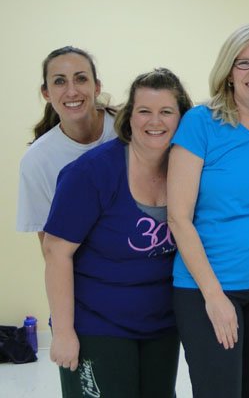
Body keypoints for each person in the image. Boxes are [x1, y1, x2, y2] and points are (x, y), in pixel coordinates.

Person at [167, 23, 249, 398]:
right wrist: (214, 296)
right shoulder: (200, 123)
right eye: (244, 63)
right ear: (228, 71)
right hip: (206, 287)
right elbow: (178, 217)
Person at [43, 68, 192, 398]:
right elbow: (56, 251)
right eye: (144, 111)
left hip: (161, 325)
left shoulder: (188, 168)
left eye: (166, 111)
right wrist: (64, 331)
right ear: (129, 117)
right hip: (97, 323)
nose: (155, 121)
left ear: (182, 118)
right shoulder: (92, 173)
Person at [17, 46, 117, 247]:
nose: (72, 91)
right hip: (88, 272)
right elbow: (51, 248)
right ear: (46, 93)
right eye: (60, 81)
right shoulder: (36, 161)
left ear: (96, 87)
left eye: (81, 79)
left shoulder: (127, 130)